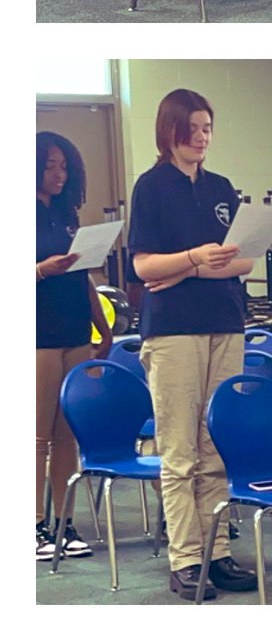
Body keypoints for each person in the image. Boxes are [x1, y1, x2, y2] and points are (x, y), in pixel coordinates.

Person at [127, 89, 258, 601]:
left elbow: (244, 259)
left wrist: (193, 267)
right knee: (179, 448)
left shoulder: (222, 186)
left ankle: (217, 552)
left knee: (215, 445)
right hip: (174, 330)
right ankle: (185, 559)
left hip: (225, 321)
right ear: (171, 132)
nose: (203, 138)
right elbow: (143, 267)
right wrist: (192, 258)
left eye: (208, 129)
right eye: (194, 129)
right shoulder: (152, 187)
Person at [36, 131, 113, 560]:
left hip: (74, 329)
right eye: (50, 166)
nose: (59, 174)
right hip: (37, 335)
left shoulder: (67, 216)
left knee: (67, 433)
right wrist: (42, 270)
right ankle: (32, 524)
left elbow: (83, 276)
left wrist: (102, 324)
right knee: (36, 436)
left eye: (64, 166)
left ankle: (62, 522)